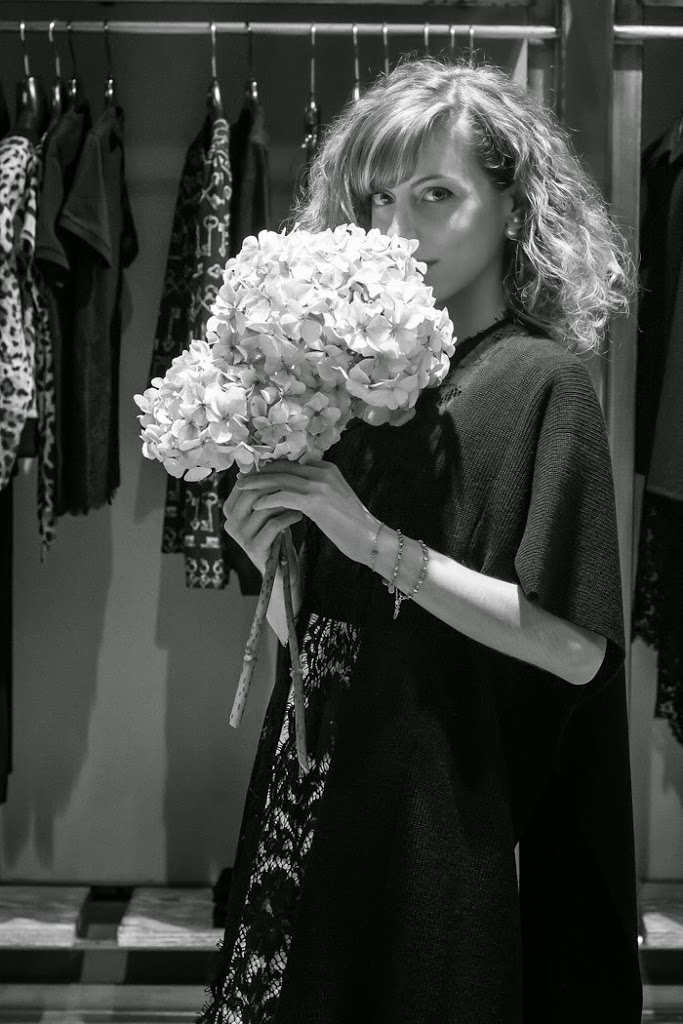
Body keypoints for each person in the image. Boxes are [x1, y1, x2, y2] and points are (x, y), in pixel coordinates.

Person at [196, 57, 642, 1024]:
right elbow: (329, 642)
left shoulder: (542, 383)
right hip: (318, 794)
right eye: (378, 198)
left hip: (438, 816)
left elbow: (576, 651)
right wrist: (271, 558)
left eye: (436, 194)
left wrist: (370, 540)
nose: (398, 229)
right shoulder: (357, 389)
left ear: (514, 208)